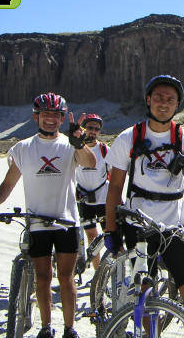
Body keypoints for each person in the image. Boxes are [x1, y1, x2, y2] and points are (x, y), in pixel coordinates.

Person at [0, 92, 96, 338]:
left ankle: (70, 328)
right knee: (42, 277)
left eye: (55, 115)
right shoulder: (23, 148)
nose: (50, 119)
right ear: (36, 117)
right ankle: (45, 327)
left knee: (66, 278)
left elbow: (90, 163)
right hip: (37, 222)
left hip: (67, 221)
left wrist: (79, 143)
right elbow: (9, 182)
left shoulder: (69, 144)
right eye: (45, 114)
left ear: (62, 118)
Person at [103, 75, 184, 327]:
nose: (163, 102)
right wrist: (111, 229)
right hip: (138, 226)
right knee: (146, 293)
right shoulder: (129, 137)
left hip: (173, 225)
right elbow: (115, 186)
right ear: (148, 100)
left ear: (177, 104)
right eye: (158, 97)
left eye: (170, 99)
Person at [75, 113, 109, 271]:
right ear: (83, 128)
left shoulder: (104, 149)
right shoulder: (77, 147)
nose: (93, 131)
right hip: (84, 199)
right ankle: (98, 274)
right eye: (90, 128)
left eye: (96, 129)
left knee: (109, 236)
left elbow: (114, 172)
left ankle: (110, 272)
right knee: (92, 237)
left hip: (103, 199)